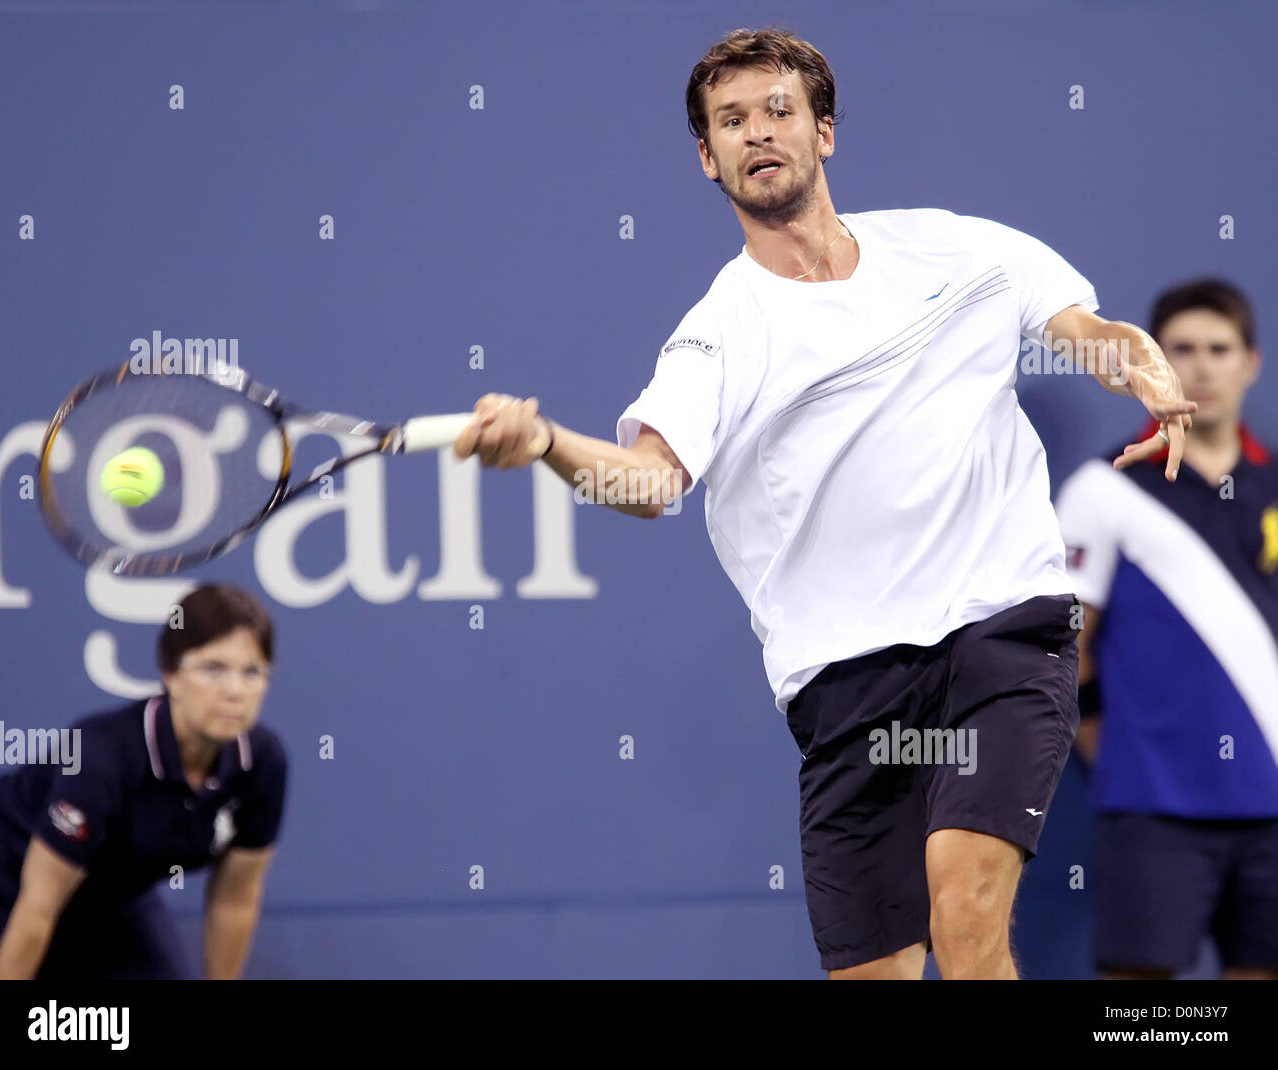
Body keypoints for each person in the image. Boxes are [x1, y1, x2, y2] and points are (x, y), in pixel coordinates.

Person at [452, 26, 1195, 979]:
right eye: (731, 120)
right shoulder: (718, 335)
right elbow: (648, 480)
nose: (757, 132)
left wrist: (1143, 369)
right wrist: (548, 442)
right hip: (847, 684)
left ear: (824, 133)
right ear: (706, 157)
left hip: (998, 628)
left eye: (778, 110)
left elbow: (1088, 330)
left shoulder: (962, 250)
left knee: (966, 911)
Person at [1057, 278, 1278, 980]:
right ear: (1152, 363)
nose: (1202, 368)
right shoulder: (1104, 488)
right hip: (1151, 810)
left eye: (1220, 348)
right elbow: (1065, 650)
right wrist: (1118, 753)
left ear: (1252, 362)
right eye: (1181, 349)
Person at [0, 583, 288, 980]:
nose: (235, 691)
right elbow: (39, 905)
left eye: (252, 672)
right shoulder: (99, 758)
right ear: (171, 675)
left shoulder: (263, 762)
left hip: (110, 898)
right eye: (213, 669)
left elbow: (234, 900)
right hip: (2, 887)